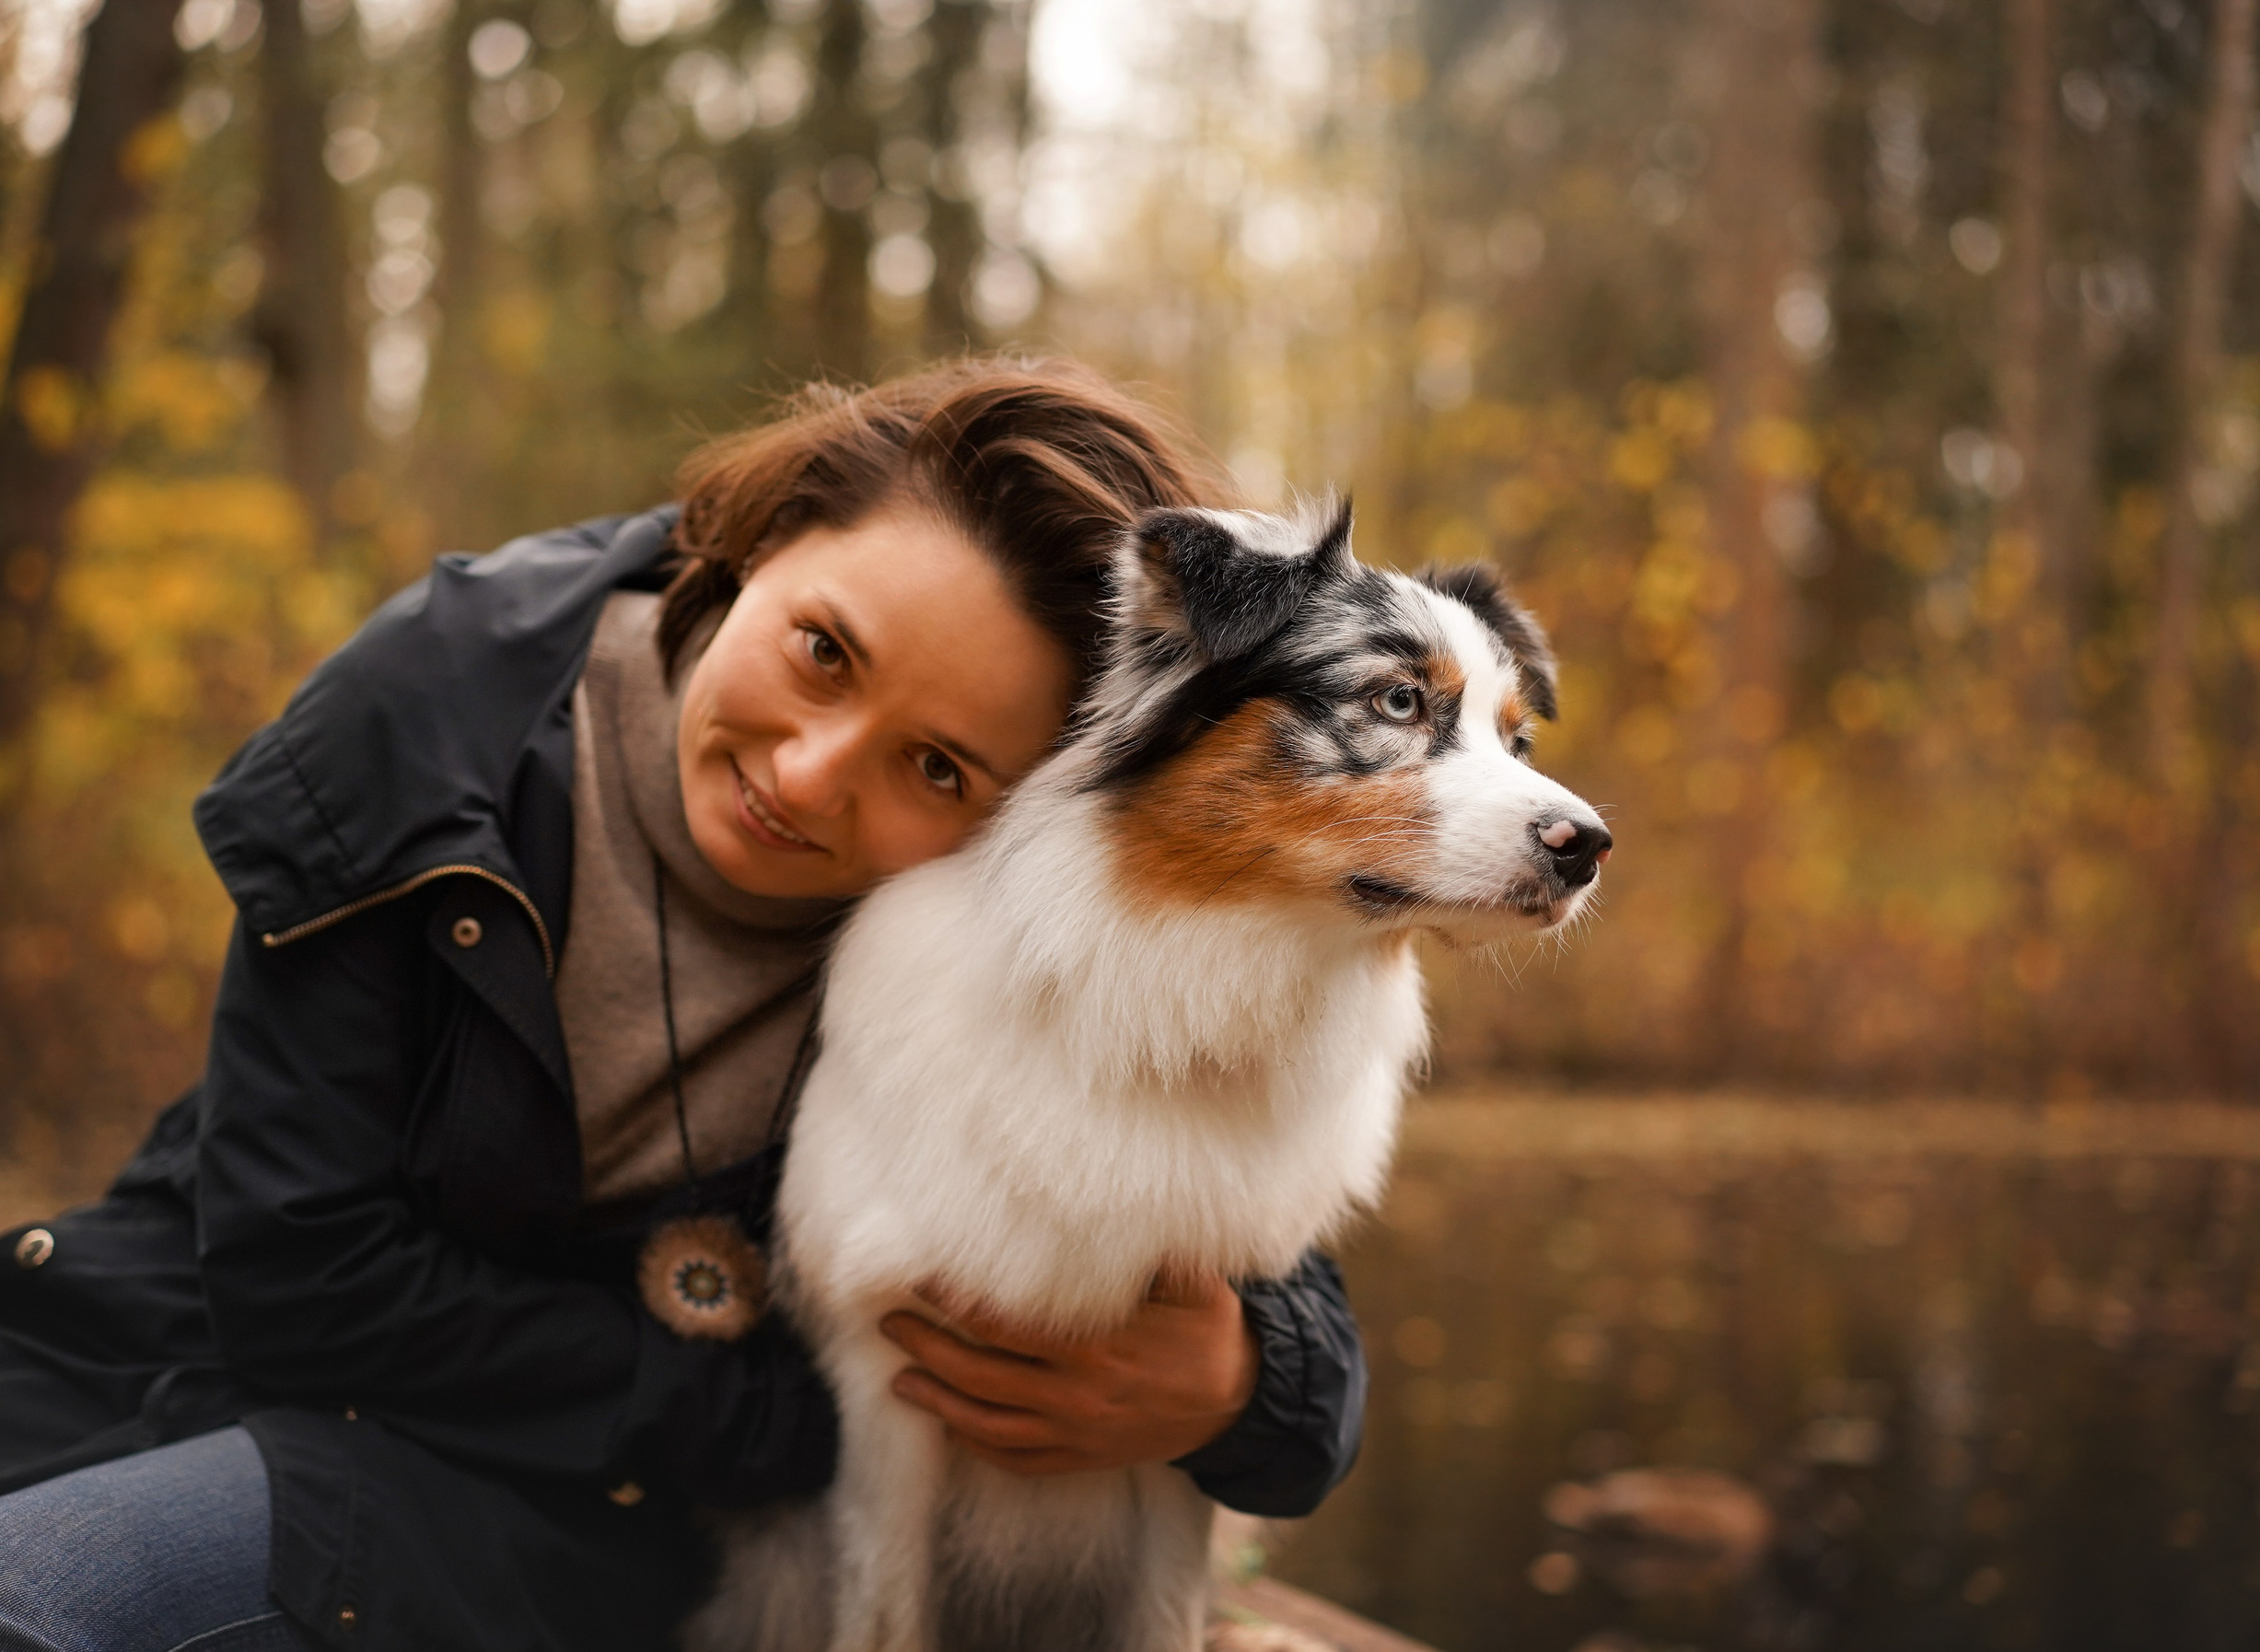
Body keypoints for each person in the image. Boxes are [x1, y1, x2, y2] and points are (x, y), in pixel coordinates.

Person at [0, 360, 1367, 1652]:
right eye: (826, 651)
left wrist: (1247, 1379)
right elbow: (299, 1274)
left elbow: (1296, 1362)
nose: (814, 775)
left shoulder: (1012, 941)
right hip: (184, 1367)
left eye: (939, 769)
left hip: (578, 1529)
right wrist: (786, 1409)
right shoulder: (426, 721)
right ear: (771, 532)